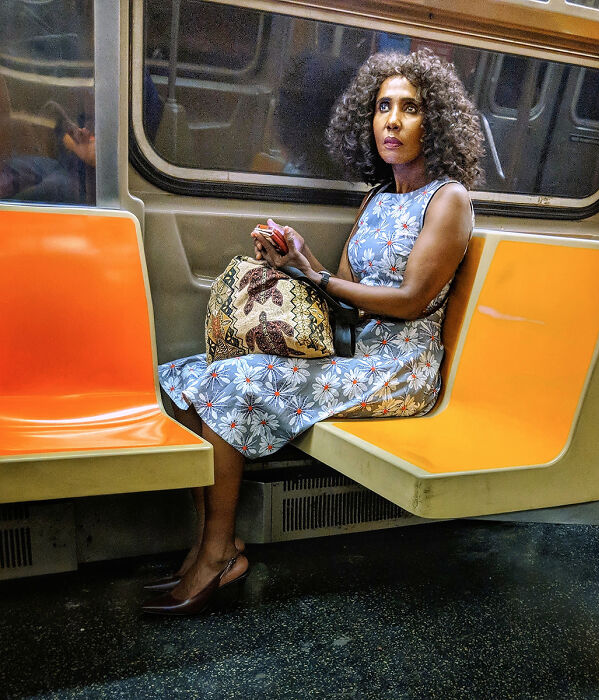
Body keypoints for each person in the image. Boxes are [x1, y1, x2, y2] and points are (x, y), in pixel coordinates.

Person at [144, 48, 484, 616]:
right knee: (186, 376)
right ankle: (210, 543)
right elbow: (345, 300)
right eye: (382, 108)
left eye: (410, 108)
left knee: (232, 384)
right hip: (358, 357)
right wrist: (296, 258)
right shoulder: (377, 199)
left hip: (400, 373)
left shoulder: (449, 200)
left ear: (437, 122)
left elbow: (410, 301)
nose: (392, 121)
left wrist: (318, 273)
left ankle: (217, 557)